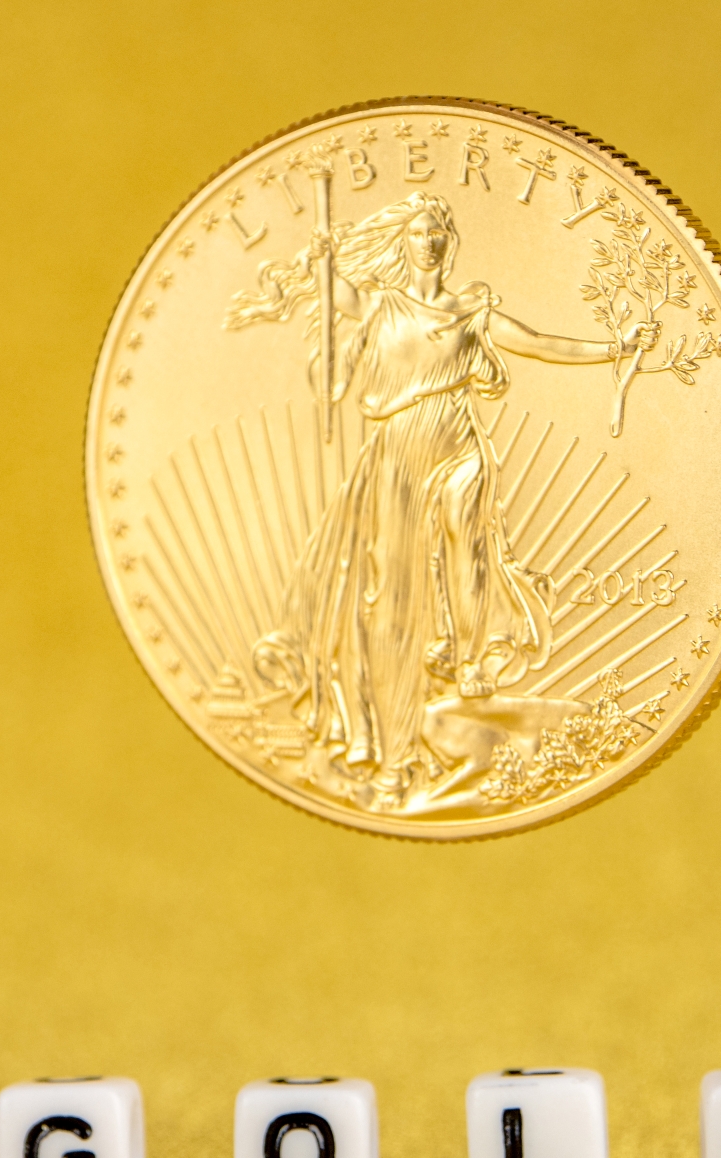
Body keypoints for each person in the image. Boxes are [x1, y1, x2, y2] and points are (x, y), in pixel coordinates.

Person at [227, 192, 656, 808]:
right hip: (396, 453)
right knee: (390, 593)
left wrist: (614, 349)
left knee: (469, 546)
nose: (429, 241)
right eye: (420, 232)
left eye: (439, 233)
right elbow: (333, 292)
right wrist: (319, 259)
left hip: (457, 442)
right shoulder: (380, 303)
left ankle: (468, 656)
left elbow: (537, 343)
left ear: (449, 243)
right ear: (405, 242)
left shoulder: (471, 312)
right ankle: (393, 737)